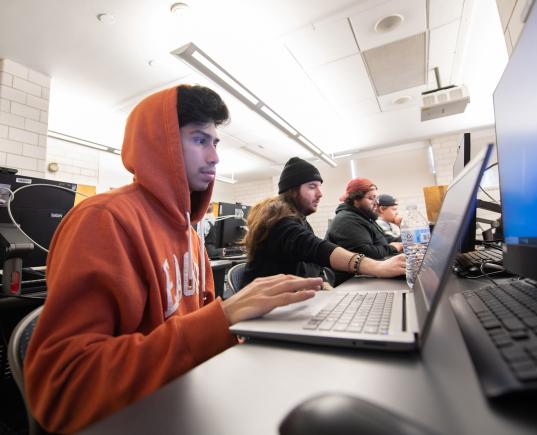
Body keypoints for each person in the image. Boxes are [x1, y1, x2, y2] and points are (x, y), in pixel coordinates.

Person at [24, 85, 324, 434]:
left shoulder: (190, 235)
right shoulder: (103, 220)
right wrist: (221, 320)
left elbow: (199, 335)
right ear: (160, 143)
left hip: (185, 402)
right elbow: (63, 390)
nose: (214, 157)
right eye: (199, 140)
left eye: (215, 143)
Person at [242, 157, 406, 289]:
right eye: (312, 187)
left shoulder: (299, 219)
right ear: (291, 190)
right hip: (269, 313)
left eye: (319, 186)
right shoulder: (278, 222)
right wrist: (378, 268)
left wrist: (323, 284)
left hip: (292, 299)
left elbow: (312, 263)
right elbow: (319, 249)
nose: (320, 194)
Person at [325, 178, 403, 285]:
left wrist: (406, 236)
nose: (376, 203)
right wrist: (393, 247)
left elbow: (384, 239)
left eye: (376, 198)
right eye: (371, 198)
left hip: (364, 277)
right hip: (351, 283)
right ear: (356, 201)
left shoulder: (365, 217)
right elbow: (367, 252)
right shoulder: (347, 220)